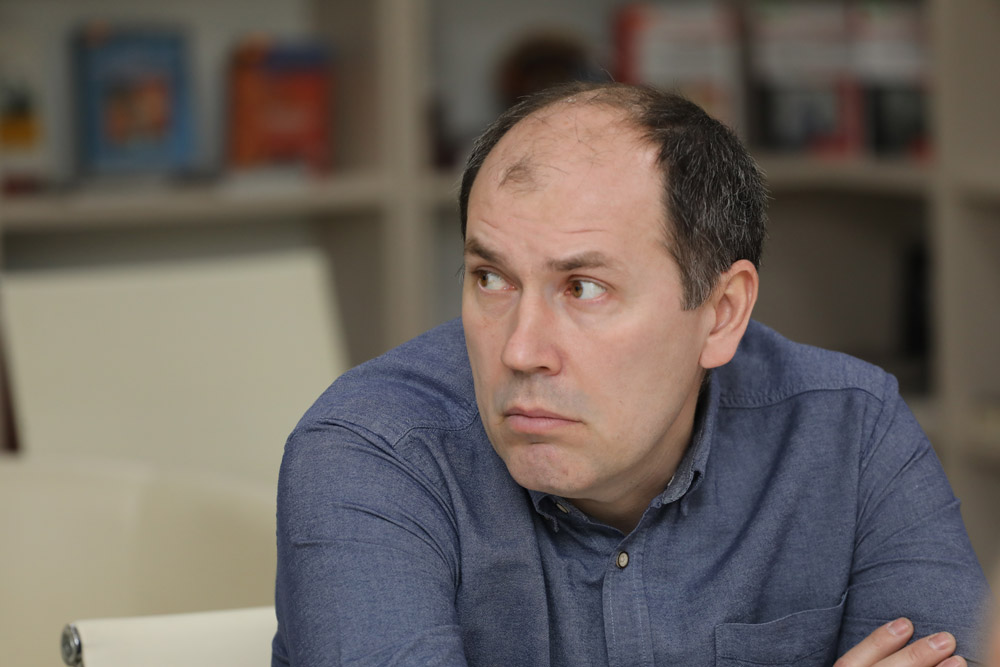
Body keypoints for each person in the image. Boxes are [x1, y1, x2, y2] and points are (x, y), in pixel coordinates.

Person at [272, 82, 990, 666]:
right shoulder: (370, 452)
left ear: (722, 313)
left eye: (583, 288)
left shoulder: (853, 430)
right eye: (491, 278)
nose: (520, 350)